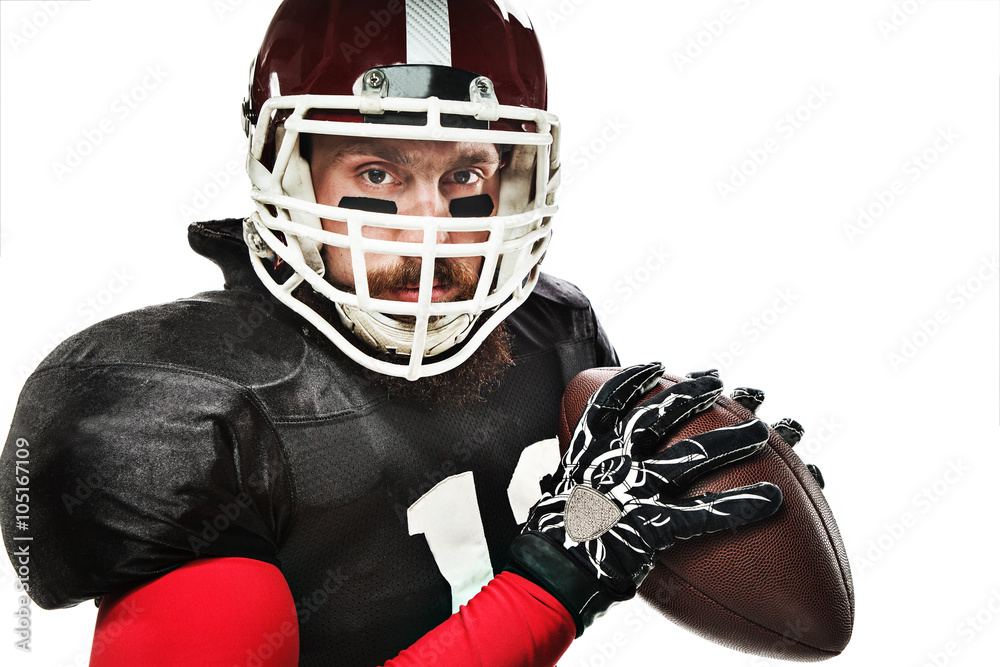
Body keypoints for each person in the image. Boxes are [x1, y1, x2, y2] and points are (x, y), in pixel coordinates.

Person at [0, 1, 784, 665]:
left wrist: (620, 511)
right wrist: (548, 586)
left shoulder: (555, 328)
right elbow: (553, 568)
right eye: (377, 173)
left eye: (464, 177)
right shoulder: (180, 404)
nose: (429, 229)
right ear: (289, 166)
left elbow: (565, 527)